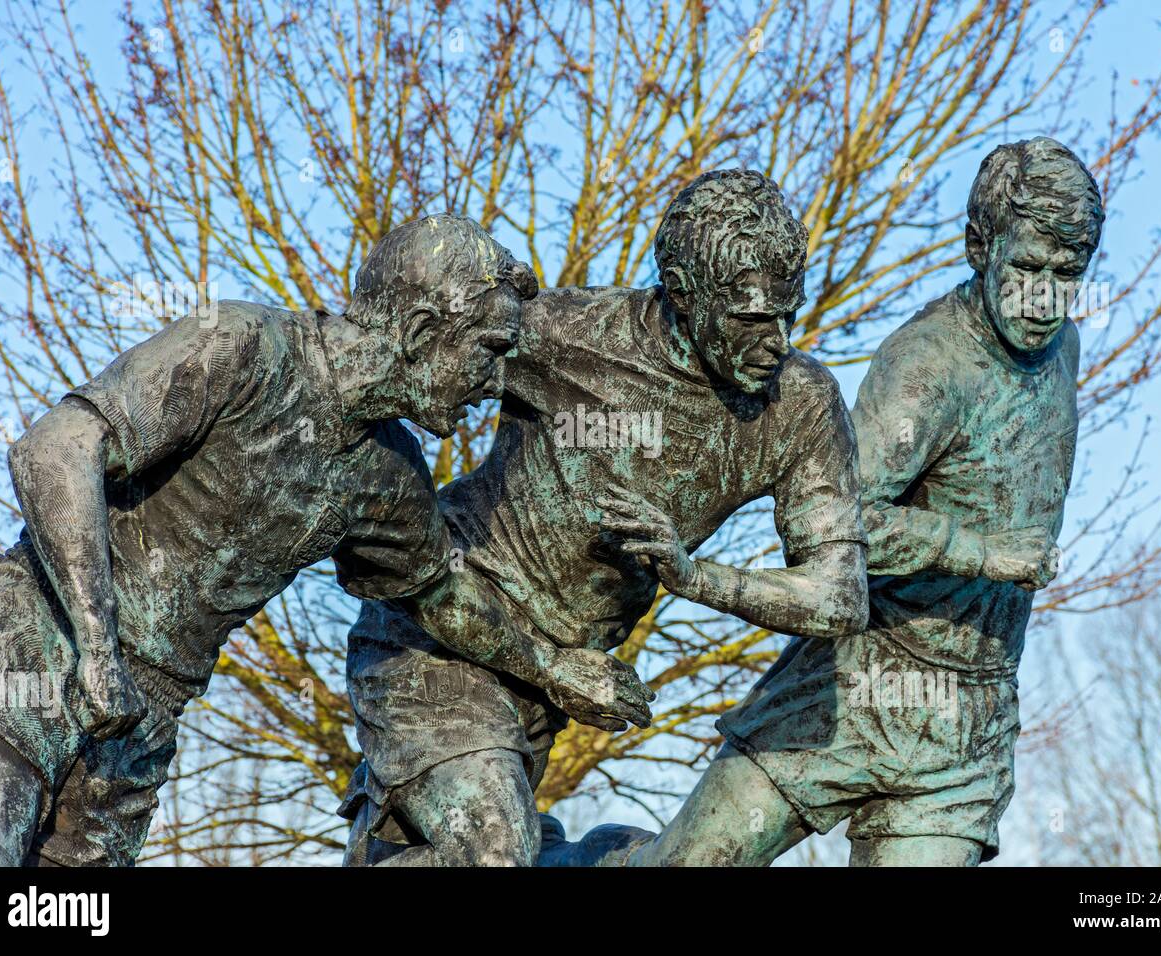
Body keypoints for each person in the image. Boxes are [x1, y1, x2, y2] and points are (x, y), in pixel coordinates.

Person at [0, 215, 650, 866]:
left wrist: (554, 669)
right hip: (36, 637)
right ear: (420, 326)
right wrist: (97, 648)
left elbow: (441, 597)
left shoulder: (391, 473)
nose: (498, 380)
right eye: (491, 349)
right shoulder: (242, 344)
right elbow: (54, 450)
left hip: (145, 713)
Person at [540, 137, 1101, 866]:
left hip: (965, 721)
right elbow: (847, 524)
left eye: (1068, 274)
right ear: (978, 245)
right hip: (850, 685)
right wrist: (984, 554)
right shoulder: (926, 366)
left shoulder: (1065, 352)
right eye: (1026, 267)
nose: (1043, 297)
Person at [340, 169, 868, 867]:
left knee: (504, 851)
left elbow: (839, 598)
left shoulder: (798, 406)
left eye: (787, 314)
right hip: (441, 633)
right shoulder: (563, 333)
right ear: (682, 291)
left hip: (555, 685)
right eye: (749, 319)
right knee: (494, 854)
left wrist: (692, 573)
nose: (775, 342)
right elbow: (394, 356)